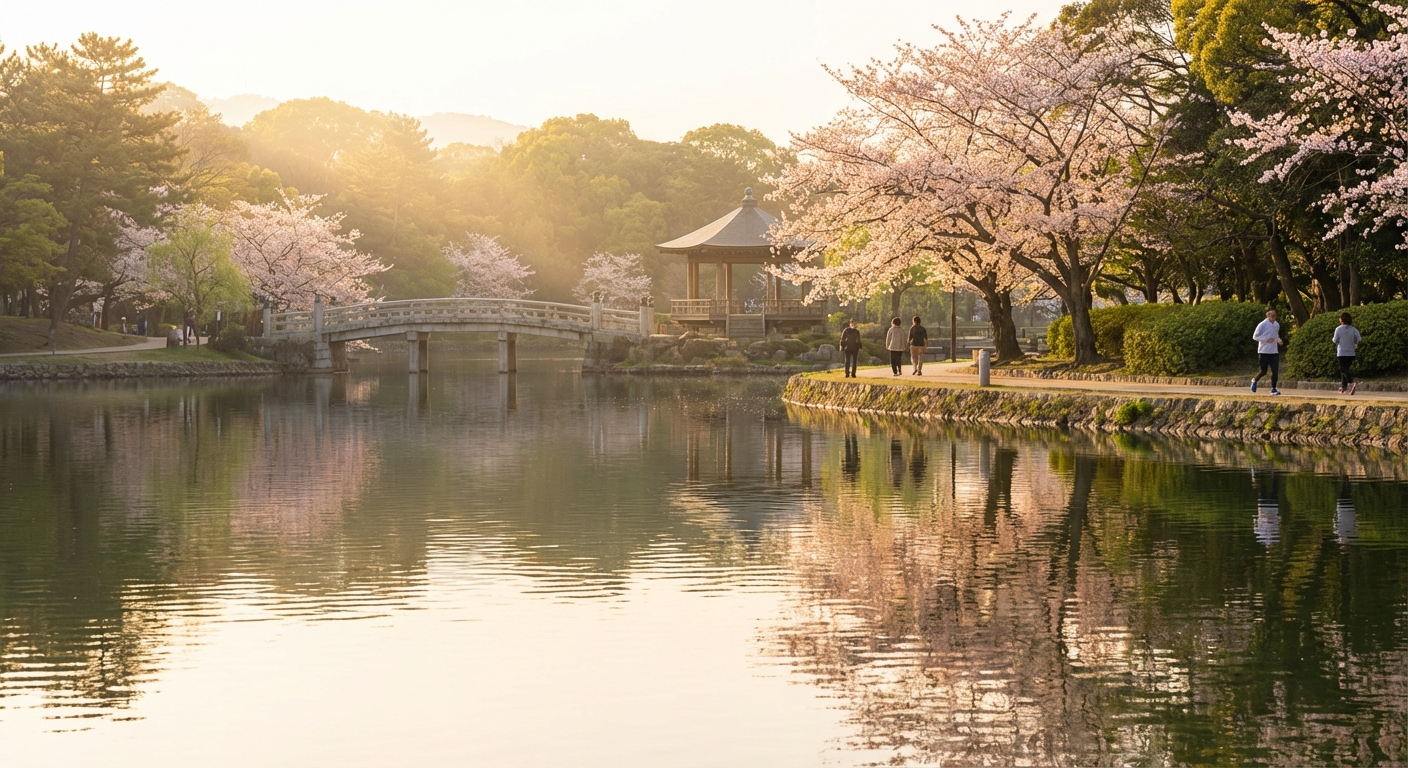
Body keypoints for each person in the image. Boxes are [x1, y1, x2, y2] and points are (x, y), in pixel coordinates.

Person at [1251, 308, 1283, 395]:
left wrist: (1278, 340)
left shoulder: (1276, 324)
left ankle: (1273, 389)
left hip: (1274, 352)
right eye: (1271, 315)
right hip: (1264, 351)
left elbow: (1276, 335)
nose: (1273, 317)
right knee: (1263, 371)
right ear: (1267, 315)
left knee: (1275, 371)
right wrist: (1265, 340)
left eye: (1274, 315)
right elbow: (1255, 336)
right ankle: (1254, 380)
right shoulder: (1262, 324)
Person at [1333, 311, 1362, 395]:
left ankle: (1352, 382)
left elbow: (1335, 340)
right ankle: (1343, 388)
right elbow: (1359, 339)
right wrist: (1355, 344)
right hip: (1351, 353)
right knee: (1345, 370)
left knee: (1343, 369)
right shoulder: (1353, 329)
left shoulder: (1338, 329)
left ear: (1342, 319)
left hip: (1341, 352)